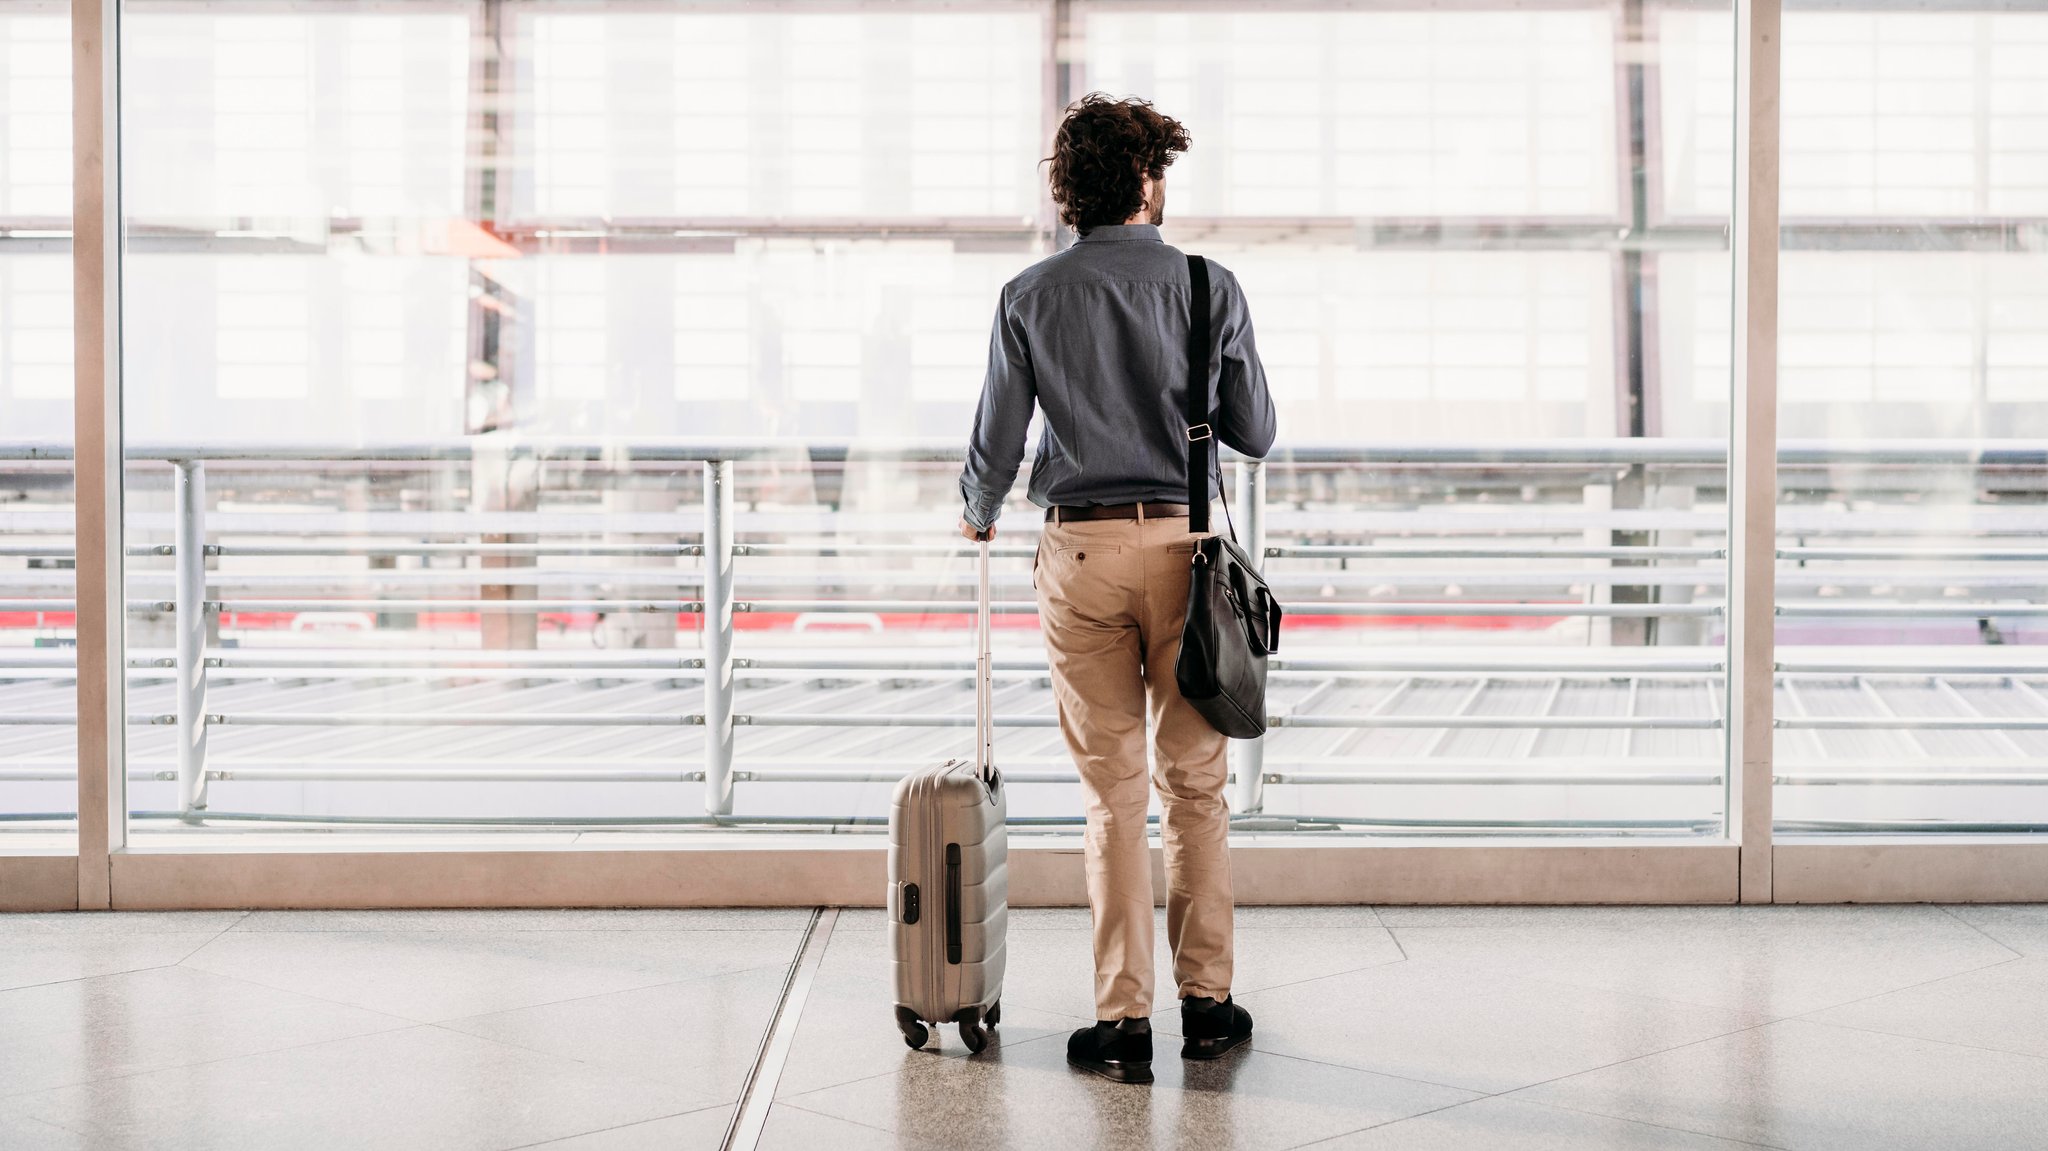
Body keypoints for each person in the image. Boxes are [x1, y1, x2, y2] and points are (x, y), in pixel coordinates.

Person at [956, 93, 1278, 1085]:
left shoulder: (1028, 294)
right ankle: (1210, 1004)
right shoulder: (1205, 284)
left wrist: (975, 511)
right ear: (1147, 181)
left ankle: (1122, 1018)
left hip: (1082, 554)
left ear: (1069, 191)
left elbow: (997, 445)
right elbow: (1253, 430)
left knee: (1112, 796)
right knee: (1196, 788)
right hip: (1187, 556)